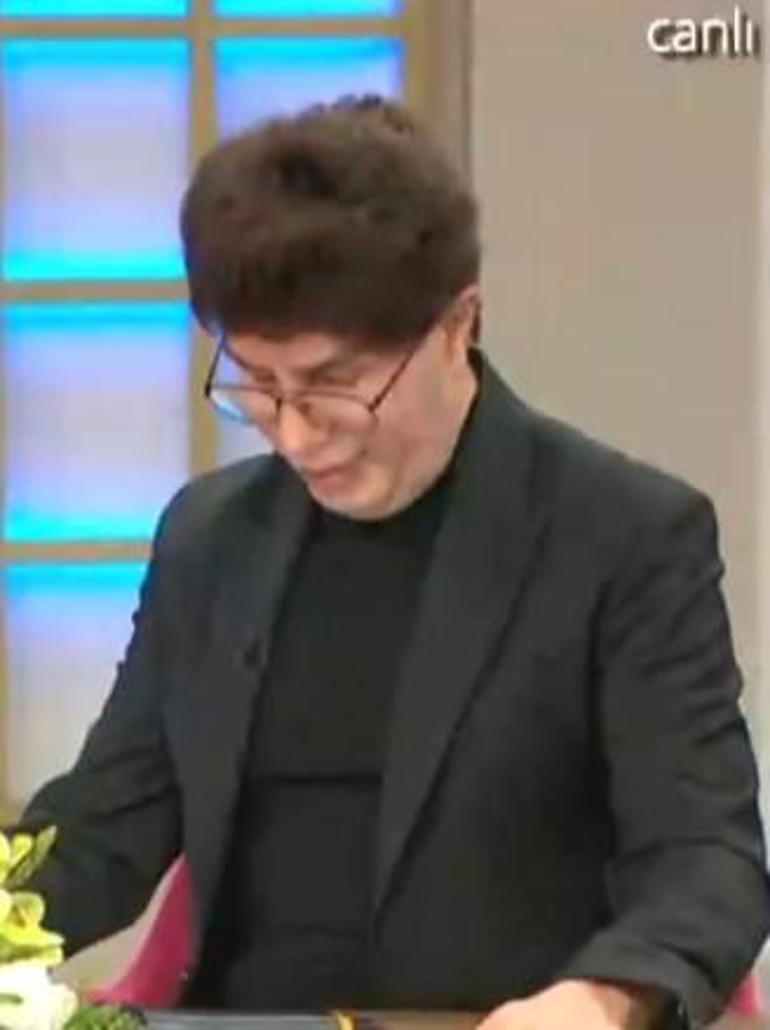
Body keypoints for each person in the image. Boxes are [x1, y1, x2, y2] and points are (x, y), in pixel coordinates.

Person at [15, 95, 770, 1029]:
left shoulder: (622, 536)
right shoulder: (209, 538)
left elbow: (705, 859)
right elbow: (106, 826)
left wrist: (603, 999)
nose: (296, 435)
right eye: (259, 384)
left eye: (334, 385)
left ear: (458, 325)